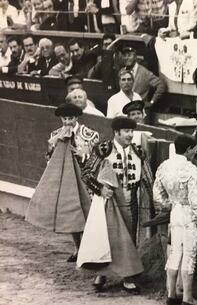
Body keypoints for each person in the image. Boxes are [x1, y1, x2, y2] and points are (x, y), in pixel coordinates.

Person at [81, 117, 154, 292]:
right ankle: (102, 273)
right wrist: (100, 189)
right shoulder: (104, 149)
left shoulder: (138, 151)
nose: (130, 135)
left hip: (132, 201)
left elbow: (148, 179)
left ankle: (127, 276)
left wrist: (154, 200)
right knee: (107, 237)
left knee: (128, 238)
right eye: (126, 131)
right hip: (110, 200)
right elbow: (86, 173)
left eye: (131, 131)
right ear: (116, 132)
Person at [25, 103, 99, 262]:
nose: (67, 122)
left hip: (86, 181)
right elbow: (49, 159)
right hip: (66, 182)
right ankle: (78, 249)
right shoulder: (55, 135)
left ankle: (89, 250)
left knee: (89, 215)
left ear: (77, 117)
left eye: (70, 118)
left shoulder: (90, 134)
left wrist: (79, 153)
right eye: (64, 119)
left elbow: (95, 157)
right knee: (71, 215)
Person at [153, 134, 197, 305]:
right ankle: (187, 298)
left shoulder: (164, 166)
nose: (195, 152)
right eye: (194, 149)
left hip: (175, 212)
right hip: (189, 215)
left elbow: (157, 196)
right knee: (189, 256)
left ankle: (171, 295)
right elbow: (196, 203)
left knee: (174, 253)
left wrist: (173, 204)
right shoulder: (190, 169)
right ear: (188, 149)